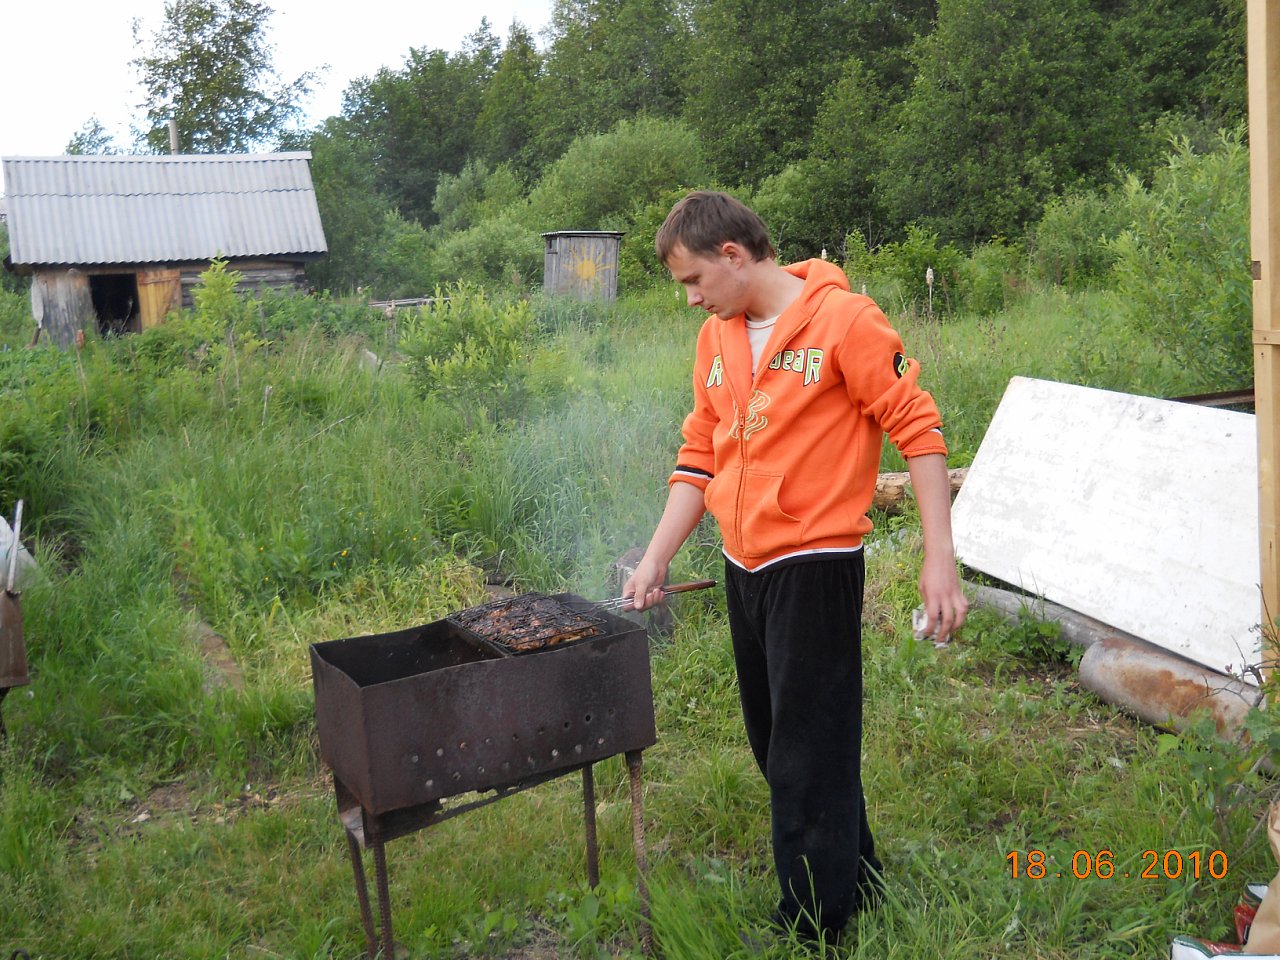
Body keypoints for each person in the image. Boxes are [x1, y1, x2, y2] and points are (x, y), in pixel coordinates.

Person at [623, 190, 968, 942]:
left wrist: (938, 557)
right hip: (743, 565)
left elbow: (920, 431)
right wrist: (654, 558)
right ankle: (856, 879)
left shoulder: (845, 321)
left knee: (805, 754)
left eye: (693, 280)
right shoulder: (717, 338)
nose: (690, 299)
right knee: (780, 739)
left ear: (733, 255)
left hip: (814, 563)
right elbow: (700, 455)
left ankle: (814, 925)